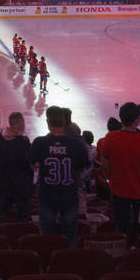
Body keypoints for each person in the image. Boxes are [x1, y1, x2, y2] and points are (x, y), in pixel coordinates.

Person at [97, 101, 140, 246]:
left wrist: (111, 178)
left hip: (119, 192)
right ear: (137, 120)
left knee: (121, 230)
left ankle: (122, 256)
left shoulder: (110, 138)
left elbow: (105, 165)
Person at [30, 105, 90, 245]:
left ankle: (48, 261)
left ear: (48, 122)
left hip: (47, 195)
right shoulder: (75, 144)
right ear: (64, 122)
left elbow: (32, 164)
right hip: (69, 195)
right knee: (70, 234)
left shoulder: (40, 143)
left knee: (47, 235)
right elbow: (83, 166)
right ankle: (69, 262)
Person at [0, 111, 32, 219]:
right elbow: (30, 162)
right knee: (22, 218)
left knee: (3, 216)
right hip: (21, 186)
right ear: (20, 124)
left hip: (4, 184)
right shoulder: (24, 141)